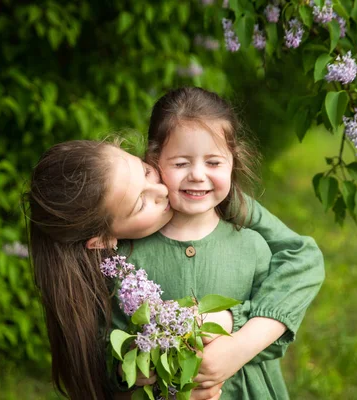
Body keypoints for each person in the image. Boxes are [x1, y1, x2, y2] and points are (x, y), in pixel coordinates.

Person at [25, 92, 324, 400]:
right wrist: (143, 373)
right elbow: (105, 361)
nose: (161, 190)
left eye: (144, 172)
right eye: (141, 203)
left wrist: (235, 336)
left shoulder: (237, 217)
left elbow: (303, 258)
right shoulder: (120, 265)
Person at [111, 87, 322, 399]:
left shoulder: (252, 246)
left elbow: (276, 337)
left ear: (233, 162)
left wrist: (234, 336)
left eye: (213, 162)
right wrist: (137, 370)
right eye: (181, 163)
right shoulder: (131, 256)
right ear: (154, 163)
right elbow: (114, 345)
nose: (197, 175)